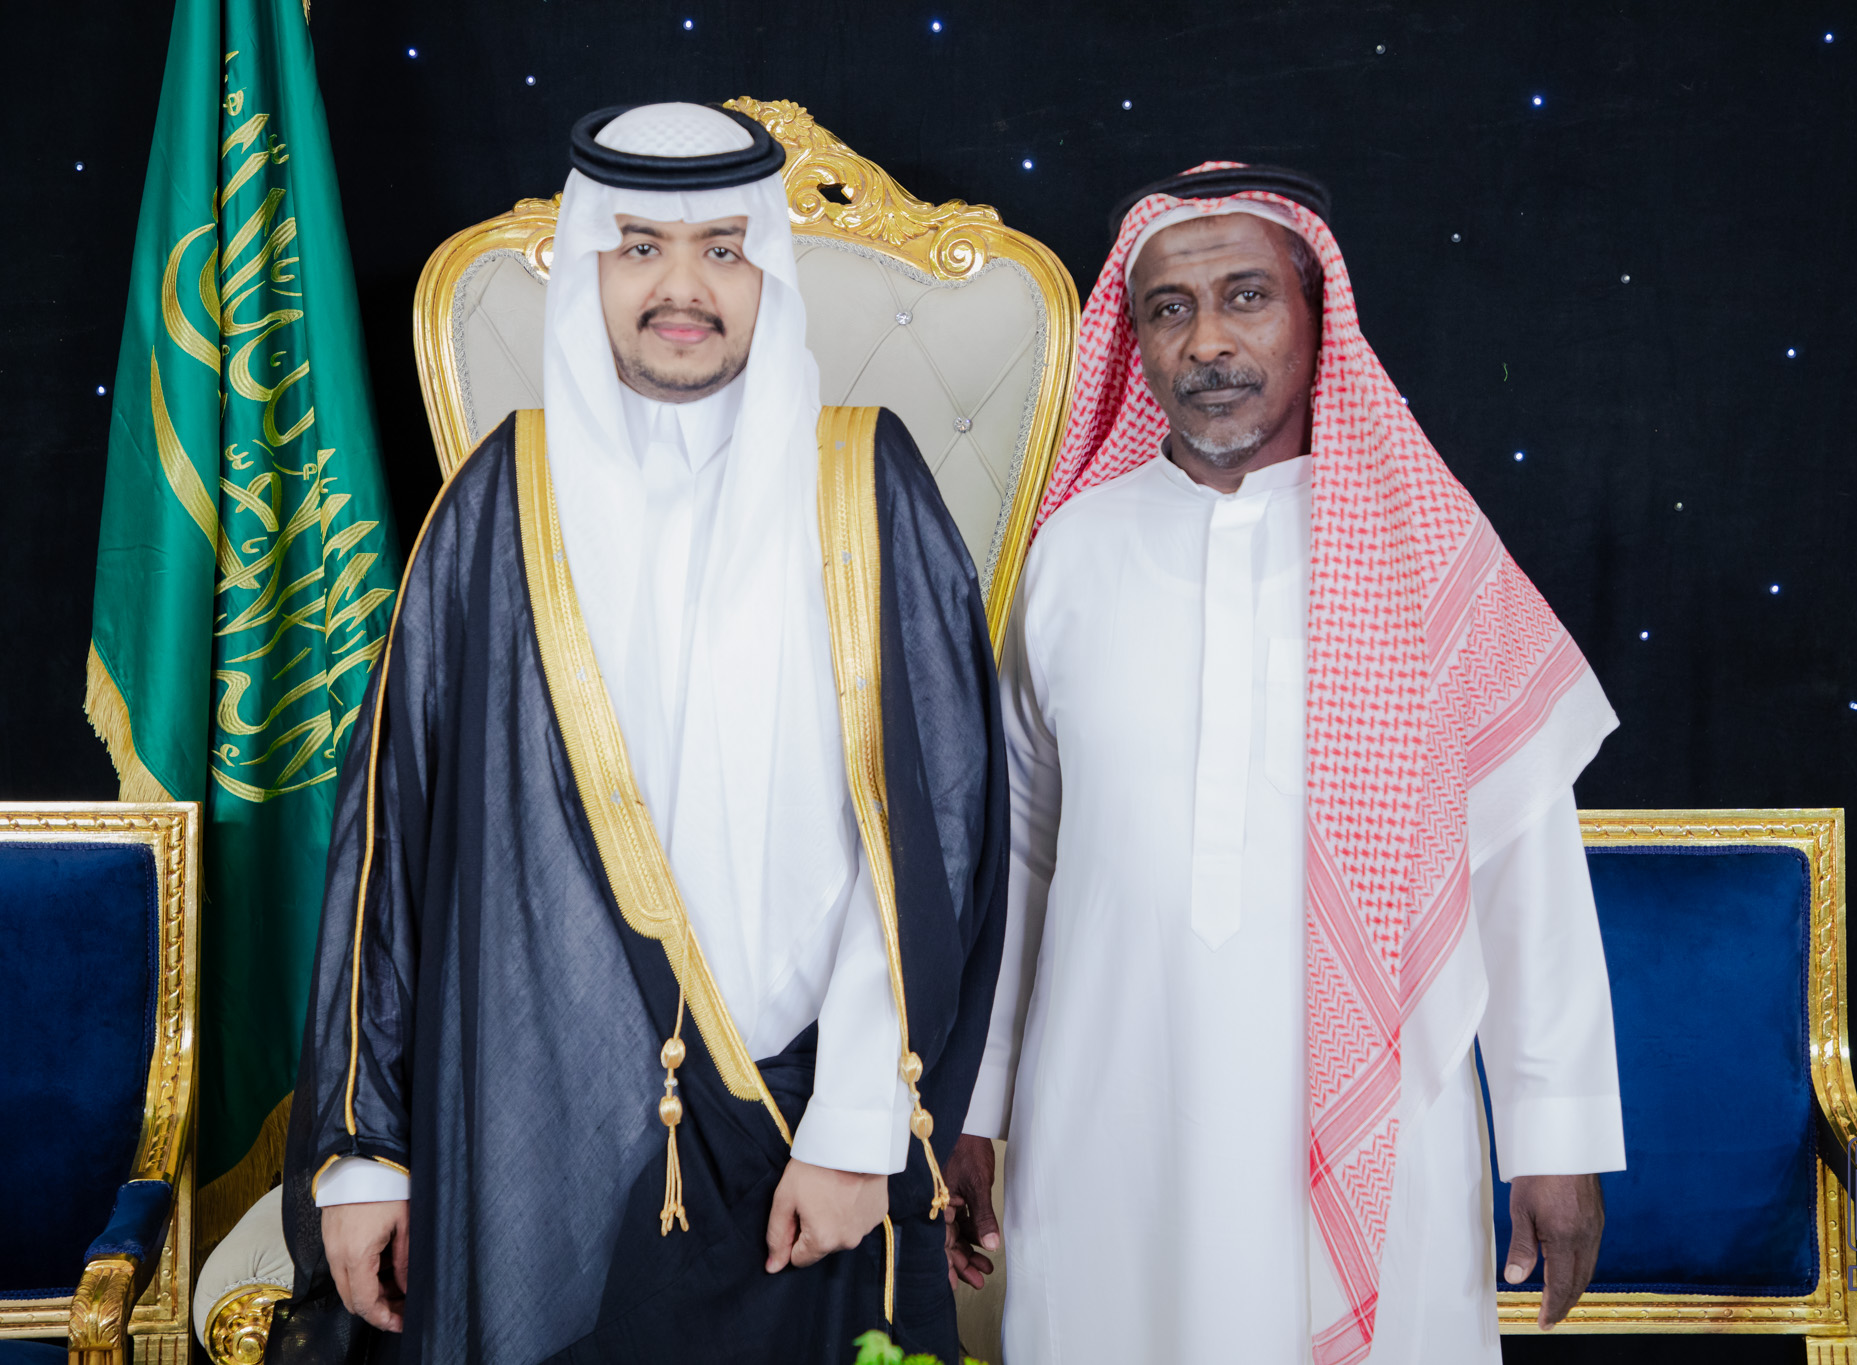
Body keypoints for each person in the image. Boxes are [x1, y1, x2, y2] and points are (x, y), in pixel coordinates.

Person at [279, 103, 1006, 1365]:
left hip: (805, 1142)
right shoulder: (496, 501)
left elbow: (938, 824)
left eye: (723, 249)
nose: (683, 289)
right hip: (536, 1141)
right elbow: (390, 841)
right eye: (640, 249)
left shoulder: (864, 482)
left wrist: (855, 1129)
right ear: (588, 268)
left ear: (768, 269)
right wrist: (364, 1153)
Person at [944, 163, 1625, 1365]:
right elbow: (1021, 862)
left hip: (1375, 1118)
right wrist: (974, 1106)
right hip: (1106, 1111)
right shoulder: (1072, 554)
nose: (1206, 341)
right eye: (1168, 309)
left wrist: (1554, 1136)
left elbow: (1523, 862)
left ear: (1319, 319)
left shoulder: (1423, 555)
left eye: (1246, 297)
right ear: (1136, 340)